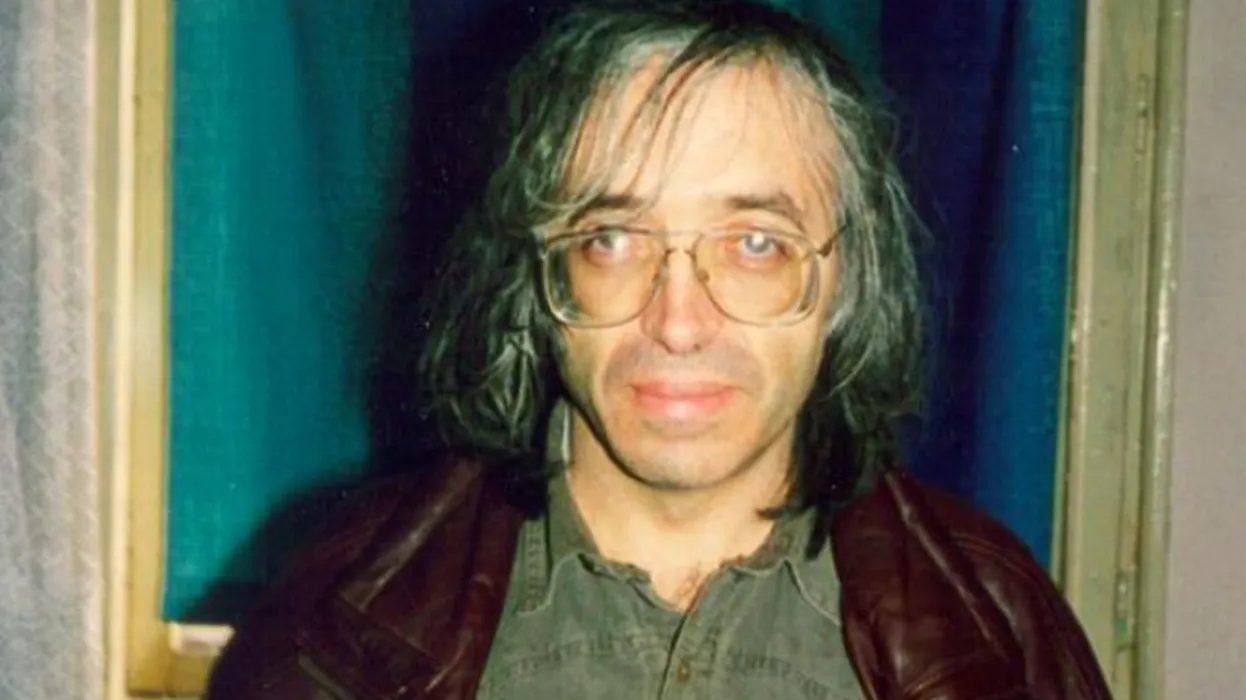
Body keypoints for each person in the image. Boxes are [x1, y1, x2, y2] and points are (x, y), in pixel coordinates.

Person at [207, 1, 1112, 698]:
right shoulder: (333, 626)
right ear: (539, 277)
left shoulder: (998, 626)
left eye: (755, 244)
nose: (678, 323)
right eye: (612, 240)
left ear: (846, 279)